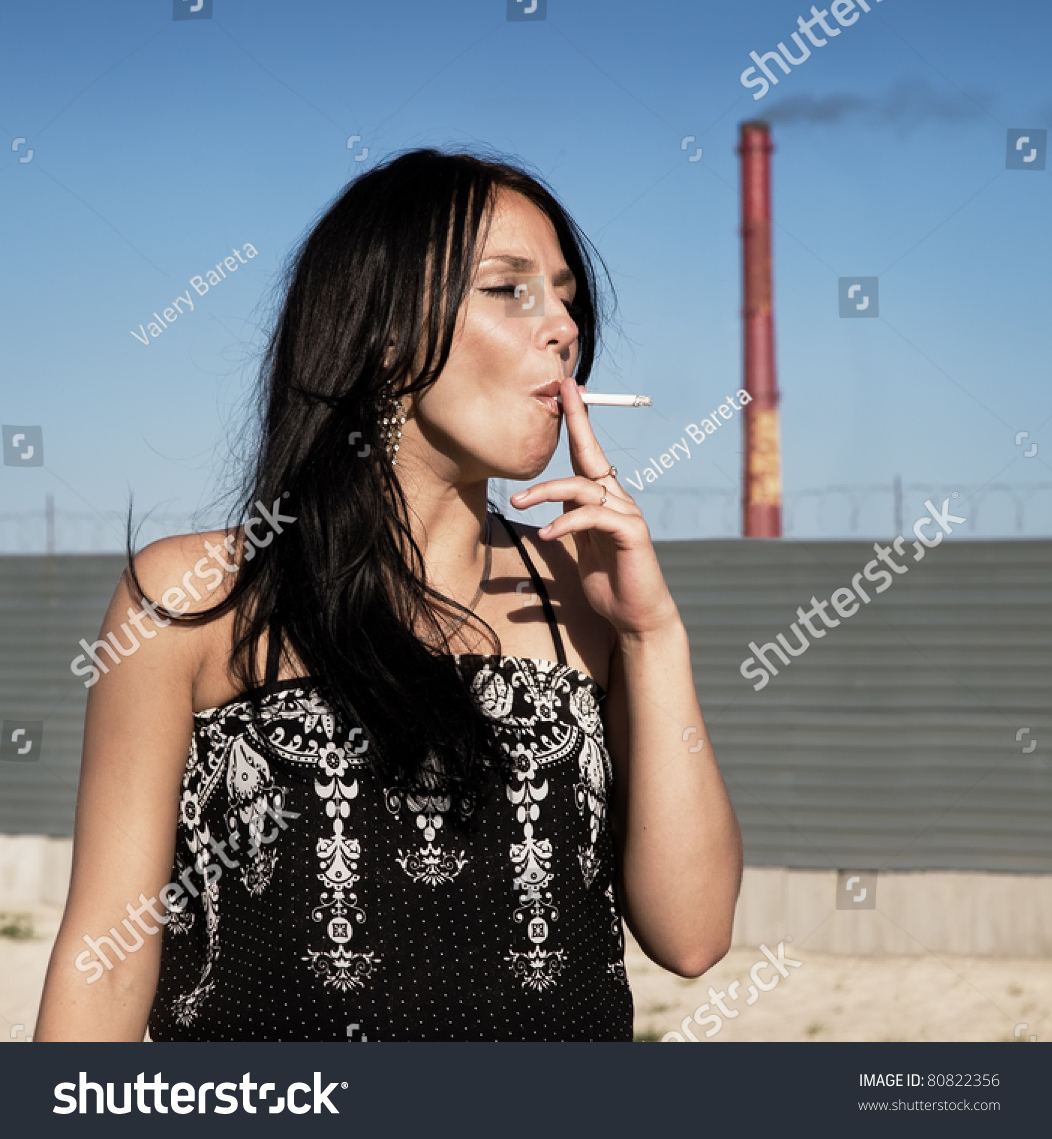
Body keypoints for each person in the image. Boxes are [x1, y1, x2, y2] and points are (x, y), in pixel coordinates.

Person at [35, 148, 742, 1042]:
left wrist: (653, 637)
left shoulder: (584, 601)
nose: (562, 324)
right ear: (384, 334)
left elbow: (694, 935)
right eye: (509, 288)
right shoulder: (196, 599)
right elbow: (103, 962)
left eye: (565, 294)